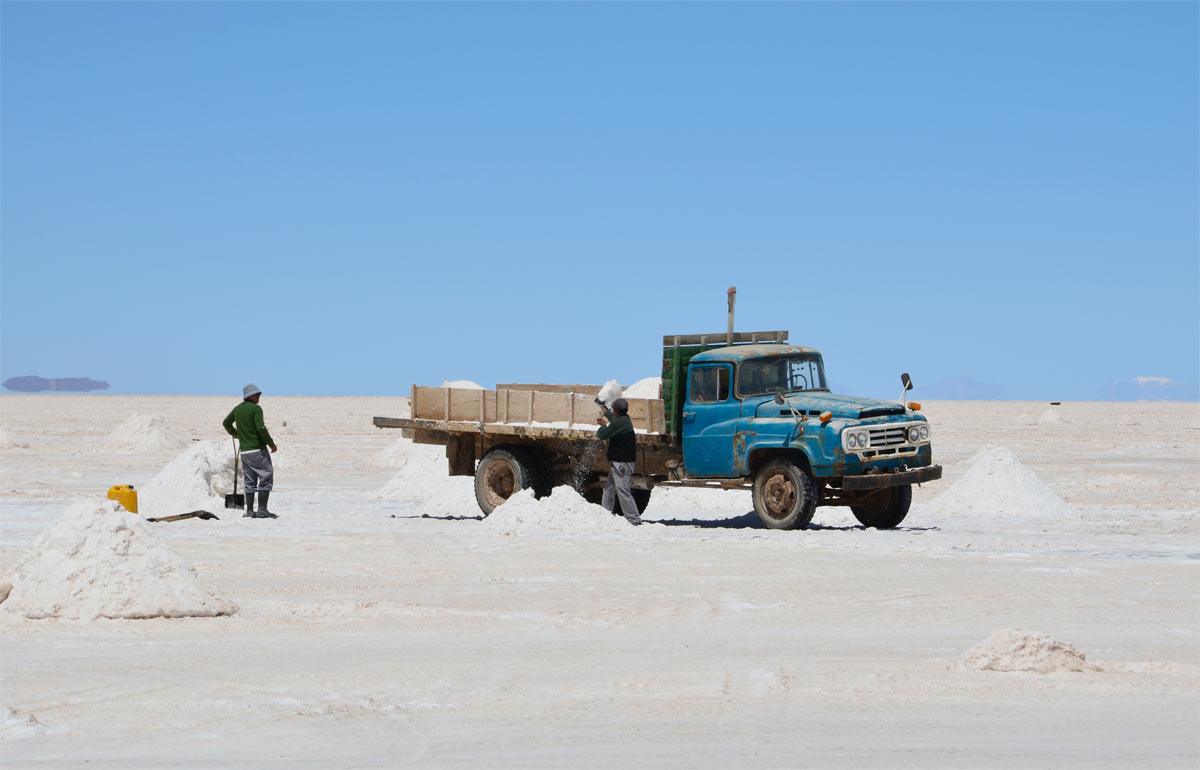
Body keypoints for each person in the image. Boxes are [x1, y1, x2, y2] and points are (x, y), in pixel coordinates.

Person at [222, 383, 278, 518]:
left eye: (259, 394)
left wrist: (237, 434)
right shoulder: (256, 409)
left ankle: (249, 511)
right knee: (266, 475)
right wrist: (271, 444)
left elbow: (226, 423)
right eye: (256, 395)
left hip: (245, 452)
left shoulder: (237, 409)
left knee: (250, 479)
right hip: (258, 450)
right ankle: (262, 509)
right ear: (250, 396)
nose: (259, 397)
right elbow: (261, 428)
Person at [597, 397, 639, 525]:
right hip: (620, 463)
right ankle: (605, 514)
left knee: (623, 491)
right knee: (609, 489)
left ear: (616, 411)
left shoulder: (619, 423)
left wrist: (603, 426)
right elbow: (615, 421)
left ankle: (634, 519)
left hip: (622, 464)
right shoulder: (625, 420)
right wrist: (607, 412)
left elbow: (602, 435)